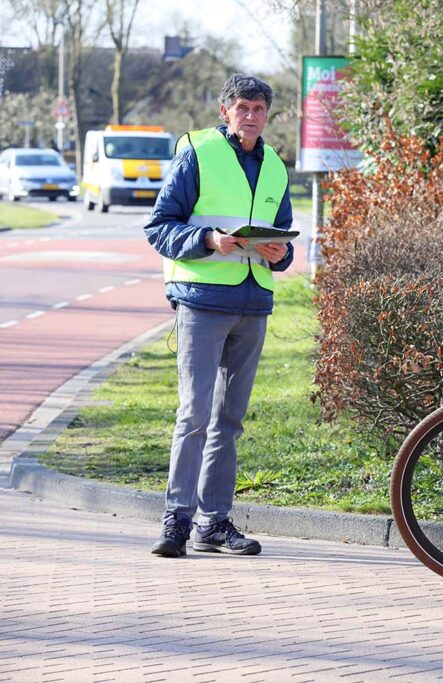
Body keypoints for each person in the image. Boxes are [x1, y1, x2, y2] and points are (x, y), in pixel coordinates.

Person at [144, 74, 294, 558]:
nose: (251, 116)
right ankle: (177, 521)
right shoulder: (197, 152)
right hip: (202, 300)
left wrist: (278, 253)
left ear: (267, 115)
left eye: (259, 109)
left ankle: (213, 523)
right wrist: (210, 241)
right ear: (225, 109)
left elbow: (285, 241)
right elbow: (159, 226)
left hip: (253, 304)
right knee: (194, 414)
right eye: (243, 107)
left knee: (229, 420)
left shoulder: (273, 164)